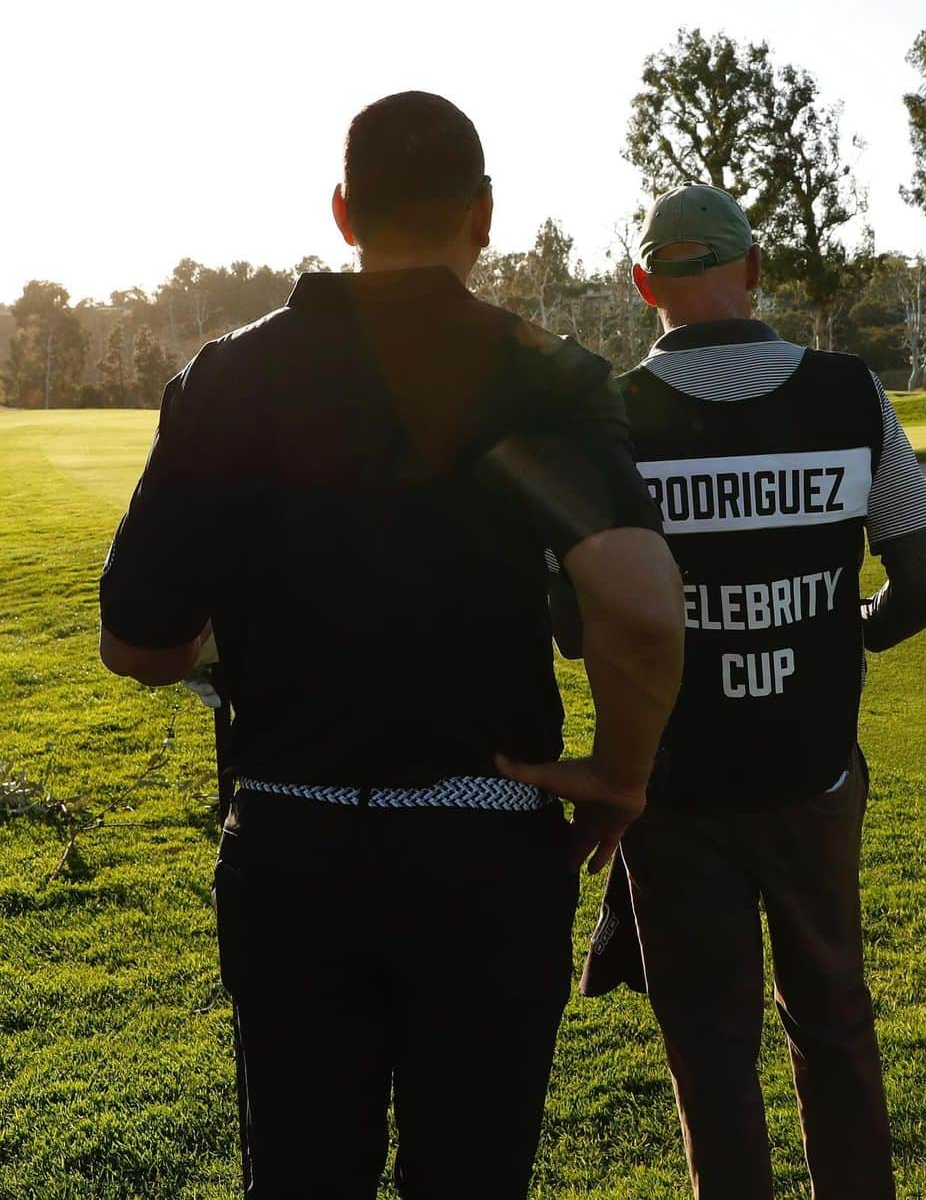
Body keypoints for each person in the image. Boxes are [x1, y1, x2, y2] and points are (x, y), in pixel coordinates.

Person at [98, 91, 685, 1200]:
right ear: (485, 215)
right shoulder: (542, 371)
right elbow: (642, 604)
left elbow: (137, 641)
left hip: (292, 848)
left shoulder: (231, 376)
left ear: (342, 211)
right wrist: (621, 774)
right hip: (482, 848)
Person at [570, 183, 926, 1200]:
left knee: (709, 1046)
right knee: (833, 1020)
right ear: (753, 269)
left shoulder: (610, 417)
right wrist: (842, 634)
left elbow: (576, 624)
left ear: (645, 280)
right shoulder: (848, 391)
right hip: (812, 771)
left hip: (675, 789)